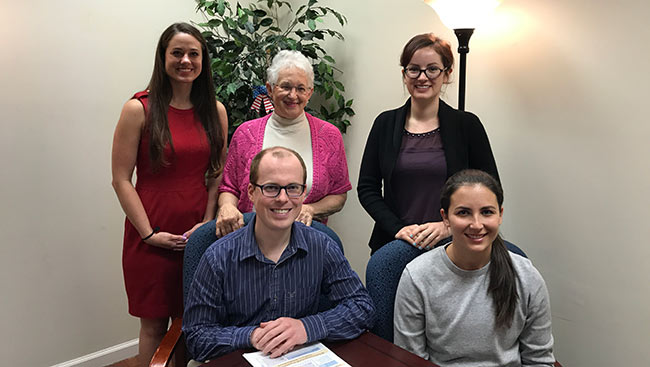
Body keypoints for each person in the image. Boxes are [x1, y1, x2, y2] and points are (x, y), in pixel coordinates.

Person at [183, 147, 374, 361]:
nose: (283, 199)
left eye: (293, 188)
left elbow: (362, 307)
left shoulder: (322, 246)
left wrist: (306, 327)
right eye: (271, 188)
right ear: (251, 192)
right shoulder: (218, 257)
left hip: (299, 357)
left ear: (303, 193)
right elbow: (196, 337)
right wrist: (251, 335)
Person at [111, 22, 227, 365]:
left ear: (203, 60)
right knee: (154, 324)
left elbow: (216, 172)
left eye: (194, 53)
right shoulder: (138, 109)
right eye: (177, 52)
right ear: (163, 57)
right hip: (150, 230)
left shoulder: (215, 111)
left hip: (197, 228)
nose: (186, 60)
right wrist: (148, 234)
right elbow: (120, 179)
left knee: (194, 318)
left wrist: (207, 222)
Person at [393, 169, 555, 366]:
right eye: (463, 213)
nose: (477, 225)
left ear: (500, 215)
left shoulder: (526, 276)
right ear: (445, 218)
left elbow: (539, 361)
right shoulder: (417, 276)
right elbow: (411, 361)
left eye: (487, 212)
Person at [357, 33, 499, 254]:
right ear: (404, 74)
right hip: (396, 244)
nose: (422, 77)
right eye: (414, 69)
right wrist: (398, 229)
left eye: (432, 69)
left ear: (447, 73)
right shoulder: (384, 123)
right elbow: (367, 188)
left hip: (454, 246)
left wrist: (447, 226)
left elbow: (491, 189)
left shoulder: (467, 125)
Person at [216, 50, 351, 237]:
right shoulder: (245, 133)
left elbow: (339, 195)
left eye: (301, 88)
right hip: (248, 238)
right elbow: (228, 188)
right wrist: (227, 206)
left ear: (310, 92)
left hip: (307, 242)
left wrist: (310, 209)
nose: (293, 95)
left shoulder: (329, 136)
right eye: (285, 87)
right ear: (270, 89)